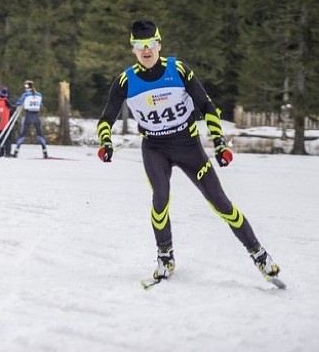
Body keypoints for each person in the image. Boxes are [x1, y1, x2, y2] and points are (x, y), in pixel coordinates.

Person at [96, 20, 283, 286]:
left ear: (159, 44)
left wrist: (219, 142)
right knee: (160, 199)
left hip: (188, 145)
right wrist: (106, 142)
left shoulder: (179, 70)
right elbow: (106, 118)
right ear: (133, 49)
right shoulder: (125, 81)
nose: (146, 50)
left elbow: (206, 106)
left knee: (221, 204)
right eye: (140, 46)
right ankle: (165, 256)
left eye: (150, 44)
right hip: (155, 148)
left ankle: (260, 255)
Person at [11, 80, 48, 158]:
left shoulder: (25, 95)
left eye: (25, 87)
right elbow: (41, 104)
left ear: (27, 87)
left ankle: (16, 152)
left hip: (28, 116)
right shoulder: (39, 95)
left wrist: (14, 104)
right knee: (40, 134)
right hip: (36, 116)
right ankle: (45, 152)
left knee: (23, 134)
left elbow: (18, 102)